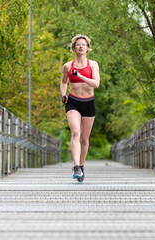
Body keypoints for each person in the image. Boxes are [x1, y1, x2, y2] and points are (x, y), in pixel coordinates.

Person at [60, 35, 100, 182]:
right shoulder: (67, 66)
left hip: (89, 102)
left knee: (84, 138)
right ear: (74, 48)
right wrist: (63, 94)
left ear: (88, 48)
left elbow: (96, 84)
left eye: (84, 45)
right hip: (73, 102)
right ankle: (76, 166)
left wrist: (81, 76)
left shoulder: (93, 64)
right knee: (75, 132)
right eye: (78, 45)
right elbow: (64, 82)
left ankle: (81, 167)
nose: (81, 47)